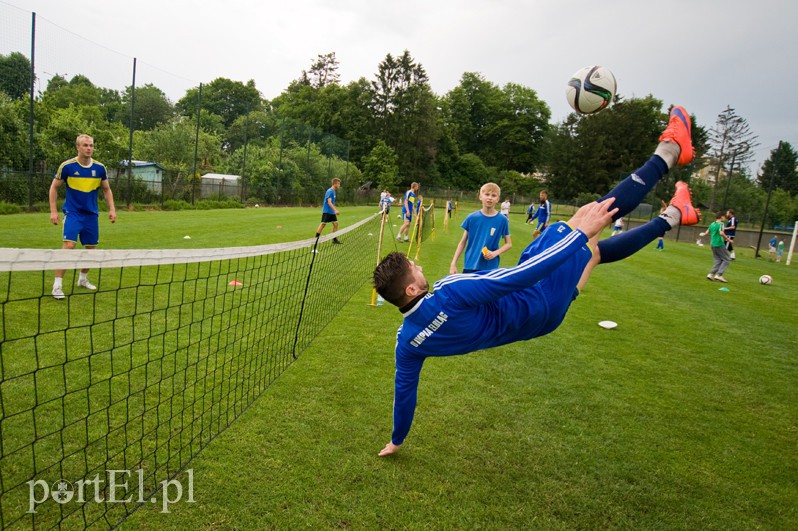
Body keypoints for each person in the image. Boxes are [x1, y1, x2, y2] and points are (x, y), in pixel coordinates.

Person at [373, 106, 698, 456]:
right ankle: (670, 151)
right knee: (590, 215)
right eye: (414, 267)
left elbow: (404, 391)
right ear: (411, 288)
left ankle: (675, 214)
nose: (419, 265)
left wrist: (397, 438)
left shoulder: (407, 342)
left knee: (596, 254)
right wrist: (578, 235)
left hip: (543, 321)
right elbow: (518, 276)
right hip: (535, 293)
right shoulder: (450, 292)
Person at [49, 133, 116, 300]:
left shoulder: (100, 168)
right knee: (69, 247)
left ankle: (83, 280)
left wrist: (112, 209)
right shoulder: (67, 167)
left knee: (91, 250)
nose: (89, 148)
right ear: (78, 147)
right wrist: (53, 211)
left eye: (91, 145)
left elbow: (106, 189)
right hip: (73, 213)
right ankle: (57, 285)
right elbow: (54, 188)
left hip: (91, 215)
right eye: (85, 145)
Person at [449, 183, 512, 274]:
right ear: (480, 197)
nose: (490, 198)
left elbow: (508, 244)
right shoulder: (472, 218)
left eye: (493, 195)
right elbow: (463, 242)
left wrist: (495, 253)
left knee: (487, 289)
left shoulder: (502, 220)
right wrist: (453, 263)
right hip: (470, 264)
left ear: (497, 199)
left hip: (490, 267)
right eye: (487, 194)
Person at [315, 178, 342, 244]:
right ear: (335, 183)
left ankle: (334, 239)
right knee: (323, 224)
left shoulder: (333, 191)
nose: (339, 185)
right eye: (338, 183)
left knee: (336, 223)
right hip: (327, 211)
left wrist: (334, 210)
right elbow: (329, 202)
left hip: (331, 212)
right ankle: (316, 239)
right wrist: (335, 210)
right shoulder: (329, 191)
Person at [707, 211, 732, 282]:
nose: (725, 218)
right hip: (719, 243)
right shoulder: (721, 224)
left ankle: (711, 274)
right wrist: (727, 239)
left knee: (718, 260)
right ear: (721, 217)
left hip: (713, 244)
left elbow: (708, 233)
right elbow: (721, 233)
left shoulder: (712, 224)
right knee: (727, 259)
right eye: (724, 217)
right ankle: (719, 275)